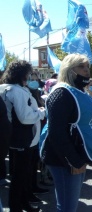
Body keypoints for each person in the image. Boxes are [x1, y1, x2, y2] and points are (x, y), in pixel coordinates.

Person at [39, 54, 92, 212]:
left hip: (75, 154)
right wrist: (74, 161)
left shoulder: (77, 91)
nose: (86, 71)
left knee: (70, 204)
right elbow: (57, 134)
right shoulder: (61, 94)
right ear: (69, 70)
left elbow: (79, 119)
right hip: (63, 158)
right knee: (67, 207)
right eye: (81, 67)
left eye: (87, 67)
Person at [0, 60, 46, 212]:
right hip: (22, 139)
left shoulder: (4, 88)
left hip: (11, 138)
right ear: (21, 74)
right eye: (27, 73)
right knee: (20, 177)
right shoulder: (17, 91)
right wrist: (41, 112)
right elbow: (25, 117)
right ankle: (17, 207)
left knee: (19, 175)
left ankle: (23, 203)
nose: (29, 76)